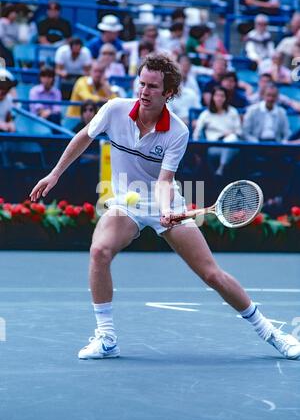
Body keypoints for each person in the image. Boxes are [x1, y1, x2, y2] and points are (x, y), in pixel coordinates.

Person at [29, 53, 300, 361]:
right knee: (99, 251)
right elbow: (83, 137)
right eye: (141, 83)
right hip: (125, 202)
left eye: (153, 86)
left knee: (212, 275)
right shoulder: (115, 109)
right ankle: (107, 338)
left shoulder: (178, 131)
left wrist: (163, 210)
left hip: (165, 201)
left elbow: (163, 181)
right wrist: (54, 173)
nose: (144, 91)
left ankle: (272, 334)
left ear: (168, 92)